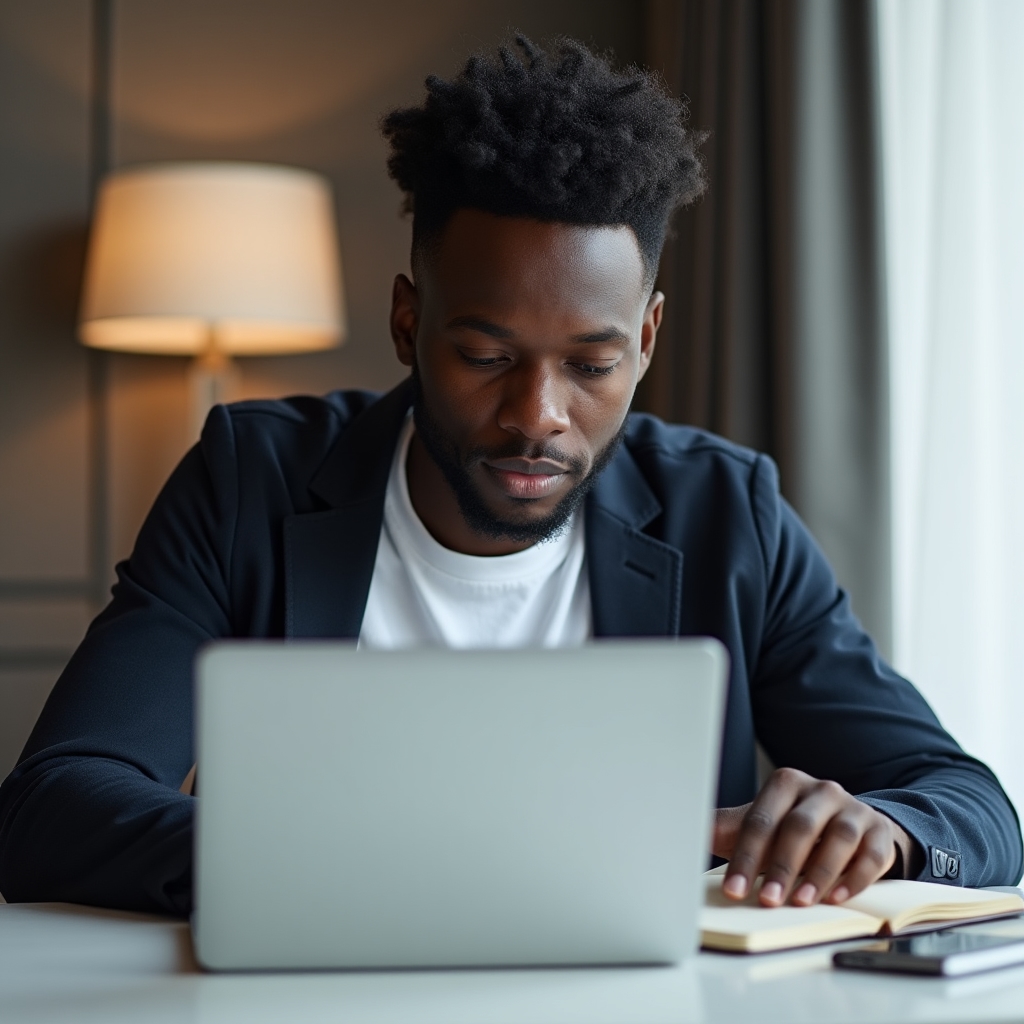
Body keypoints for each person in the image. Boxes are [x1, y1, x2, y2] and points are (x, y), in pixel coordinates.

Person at [0, 37, 1019, 917]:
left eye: (591, 364)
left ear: (648, 340)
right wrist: (342, 865)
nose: (538, 415)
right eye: (486, 356)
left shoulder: (725, 510)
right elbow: (54, 801)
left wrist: (880, 827)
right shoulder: (251, 479)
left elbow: (970, 807)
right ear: (408, 322)